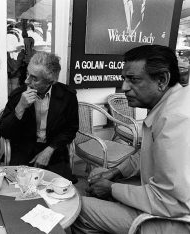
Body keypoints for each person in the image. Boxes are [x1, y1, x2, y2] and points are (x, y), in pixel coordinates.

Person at [71, 45, 190, 234]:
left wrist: (111, 189)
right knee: (99, 173)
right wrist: (116, 172)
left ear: (162, 80)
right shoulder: (170, 102)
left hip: (175, 221)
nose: (124, 87)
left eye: (133, 80)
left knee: (79, 208)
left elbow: (171, 201)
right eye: (124, 79)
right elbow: (146, 154)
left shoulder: (177, 119)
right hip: (163, 199)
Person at [0, 51, 79, 183]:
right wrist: (20, 107)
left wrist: (49, 151)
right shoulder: (18, 95)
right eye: (27, 74)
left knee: (59, 188)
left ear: (50, 81)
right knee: (16, 187)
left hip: (54, 149)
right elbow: (5, 131)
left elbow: (71, 129)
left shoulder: (67, 96)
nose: (26, 81)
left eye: (34, 78)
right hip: (24, 149)